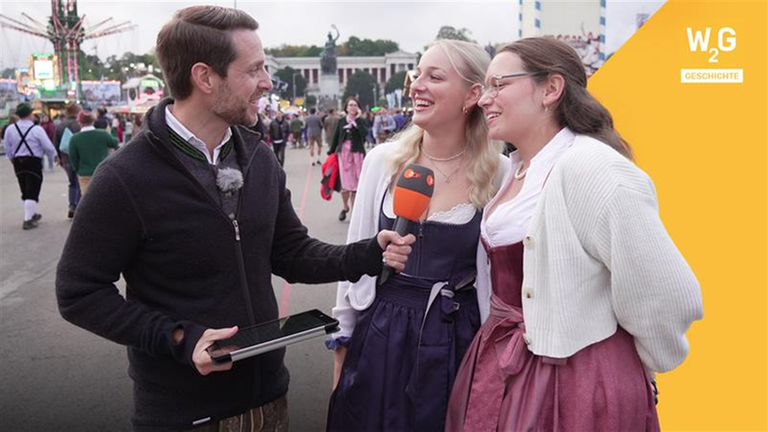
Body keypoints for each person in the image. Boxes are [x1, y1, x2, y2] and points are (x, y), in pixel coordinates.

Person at [55, 6, 414, 432]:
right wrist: (177, 338)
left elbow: (291, 253)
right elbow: (79, 292)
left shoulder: (258, 156)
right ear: (205, 78)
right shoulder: (126, 177)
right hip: (185, 414)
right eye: (255, 70)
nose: (267, 82)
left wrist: (368, 253)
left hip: (269, 399)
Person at [445, 37, 703, 432]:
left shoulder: (591, 167)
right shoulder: (517, 168)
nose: (484, 99)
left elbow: (669, 293)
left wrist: (637, 365)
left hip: (575, 379)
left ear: (550, 89)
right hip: (505, 362)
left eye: (499, 85)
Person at [326, 40, 508, 432]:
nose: (416, 86)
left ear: (472, 95)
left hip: (456, 338)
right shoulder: (382, 162)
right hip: (381, 335)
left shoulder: (501, 173)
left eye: (435, 77)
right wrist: (341, 349)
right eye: (418, 74)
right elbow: (352, 263)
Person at [3, 103, 57, 230]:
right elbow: (48, 146)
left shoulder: (10, 129)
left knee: (25, 188)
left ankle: (31, 213)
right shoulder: (36, 129)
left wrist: (12, 158)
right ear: (29, 115)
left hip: (18, 162)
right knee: (32, 189)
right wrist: (54, 156)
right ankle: (28, 220)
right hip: (33, 161)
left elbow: (7, 147)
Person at [327, 97, 368, 222]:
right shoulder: (341, 121)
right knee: (345, 185)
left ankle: (355, 211)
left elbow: (365, 135)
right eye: (350, 105)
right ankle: (345, 207)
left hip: (357, 155)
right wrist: (331, 152)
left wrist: (356, 122)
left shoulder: (360, 121)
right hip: (344, 155)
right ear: (346, 107)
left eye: (355, 105)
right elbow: (336, 137)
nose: (353, 107)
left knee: (356, 185)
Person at [68, 110, 119, 194]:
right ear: (93, 121)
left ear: (80, 122)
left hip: (85, 173)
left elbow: (73, 157)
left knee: (87, 199)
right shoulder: (103, 134)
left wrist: (78, 169)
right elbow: (114, 143)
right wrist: (114, 129)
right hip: (102, 171)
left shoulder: (74, 139)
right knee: (103, 196)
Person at [54, 103, 82, 219]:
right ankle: (79, 207)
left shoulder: (60, 125)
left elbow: (55, 143)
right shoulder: (79, 125)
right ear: (77, 112)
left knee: (72, 182)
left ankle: (72, 205)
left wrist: (58, 157)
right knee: (80, 182)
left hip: (65, 158)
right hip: (80, 158)